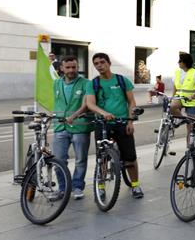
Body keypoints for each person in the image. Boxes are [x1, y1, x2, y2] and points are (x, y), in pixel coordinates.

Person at [85, 52, 144, 199]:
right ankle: (101, 186)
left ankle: (135, 185)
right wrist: (103, 113)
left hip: (122, 123)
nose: (100, 65)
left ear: (109, 63)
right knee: (102, 157)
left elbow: (131, 102)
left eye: (102, 62)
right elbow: (90, 104)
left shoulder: (122, 80)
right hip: (102, 124)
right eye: (96, 64)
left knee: (130, 157)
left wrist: (130, 121)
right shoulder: (93, 83)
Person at [52, 56, 93, 200]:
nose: (71, 70)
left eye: (74, 67)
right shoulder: (56, 83)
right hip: (60, 126)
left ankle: (77, 186)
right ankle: (63, 188)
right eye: (68, 67)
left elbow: (87, 104)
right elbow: (57, 103)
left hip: (80, 127)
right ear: (61, 68)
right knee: (58, 160)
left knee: (80, 160)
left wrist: (74, 116)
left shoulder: (86, 83)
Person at [171, 52, 195, 118]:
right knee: (172, 107)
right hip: (180, 98)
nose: (178, 62)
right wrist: (172, 97)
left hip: (192, 101)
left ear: (185, 62)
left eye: (180, 61)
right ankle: (182, 119)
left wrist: (193, 95)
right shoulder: (177, 72)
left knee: (190, 124)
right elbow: (175, 86)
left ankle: (188, 123)